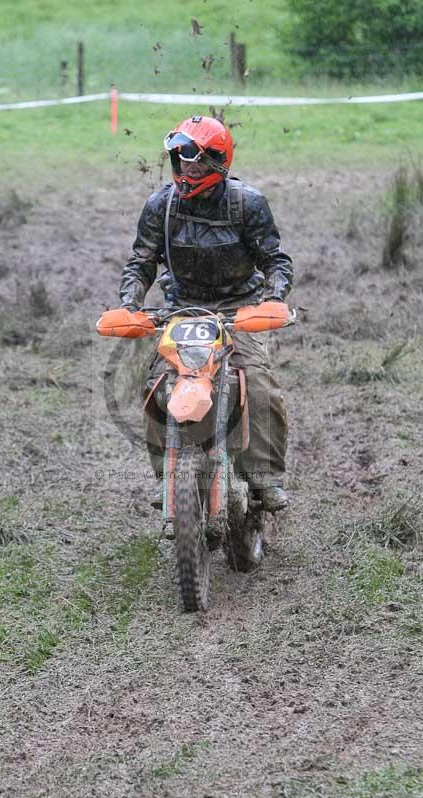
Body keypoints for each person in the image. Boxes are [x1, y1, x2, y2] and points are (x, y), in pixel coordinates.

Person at [119, 115, 293, 511]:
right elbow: (141, 262)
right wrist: (130, 303)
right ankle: (170, 479)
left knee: (256, 382)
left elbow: (275, 260)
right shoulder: (161, 205)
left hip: (239, 308)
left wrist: (274, 298)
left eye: (198, 159)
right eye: (181, 159)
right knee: (158, 383)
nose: (188, 167)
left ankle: (264, 478)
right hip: (182, 309)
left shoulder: (247, 203)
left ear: (219, 160)